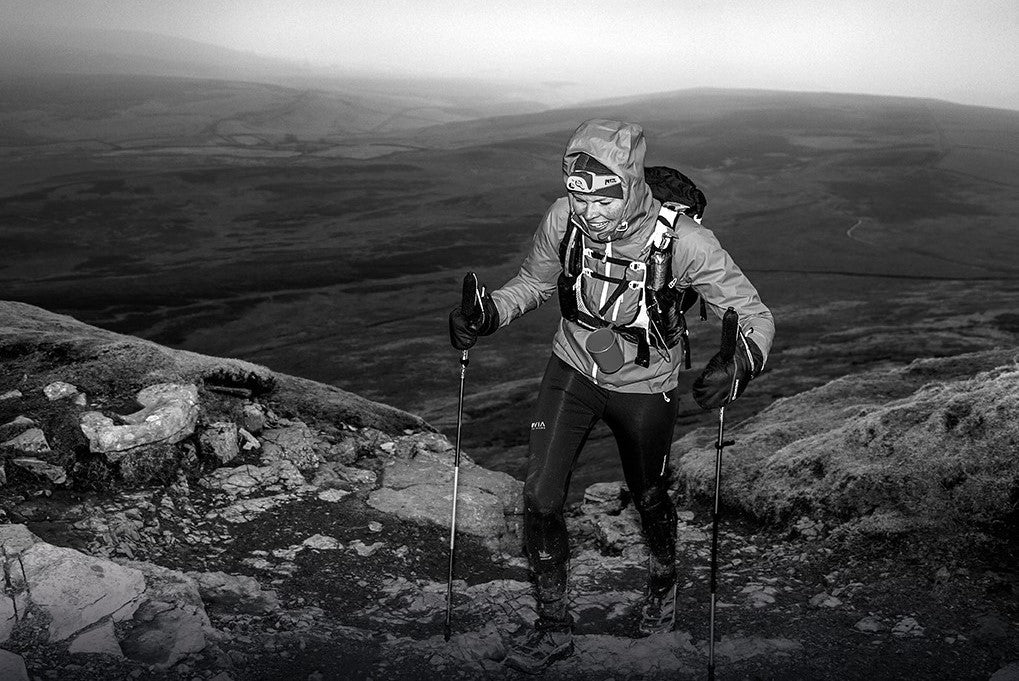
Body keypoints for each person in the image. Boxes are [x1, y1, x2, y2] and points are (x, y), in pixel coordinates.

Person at [448, 119, 775, 674]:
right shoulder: (563, 218)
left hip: (647, 385)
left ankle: (663, 585)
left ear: (629, 184)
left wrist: (739, 362)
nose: (588, 213)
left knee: (649, 493)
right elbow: (533, 282)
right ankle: (552, 626)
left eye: (602, 201)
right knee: (542, 495)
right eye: (578, 197)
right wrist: (489, 315)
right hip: (573, 366)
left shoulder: (685, 240)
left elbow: (751, 314)